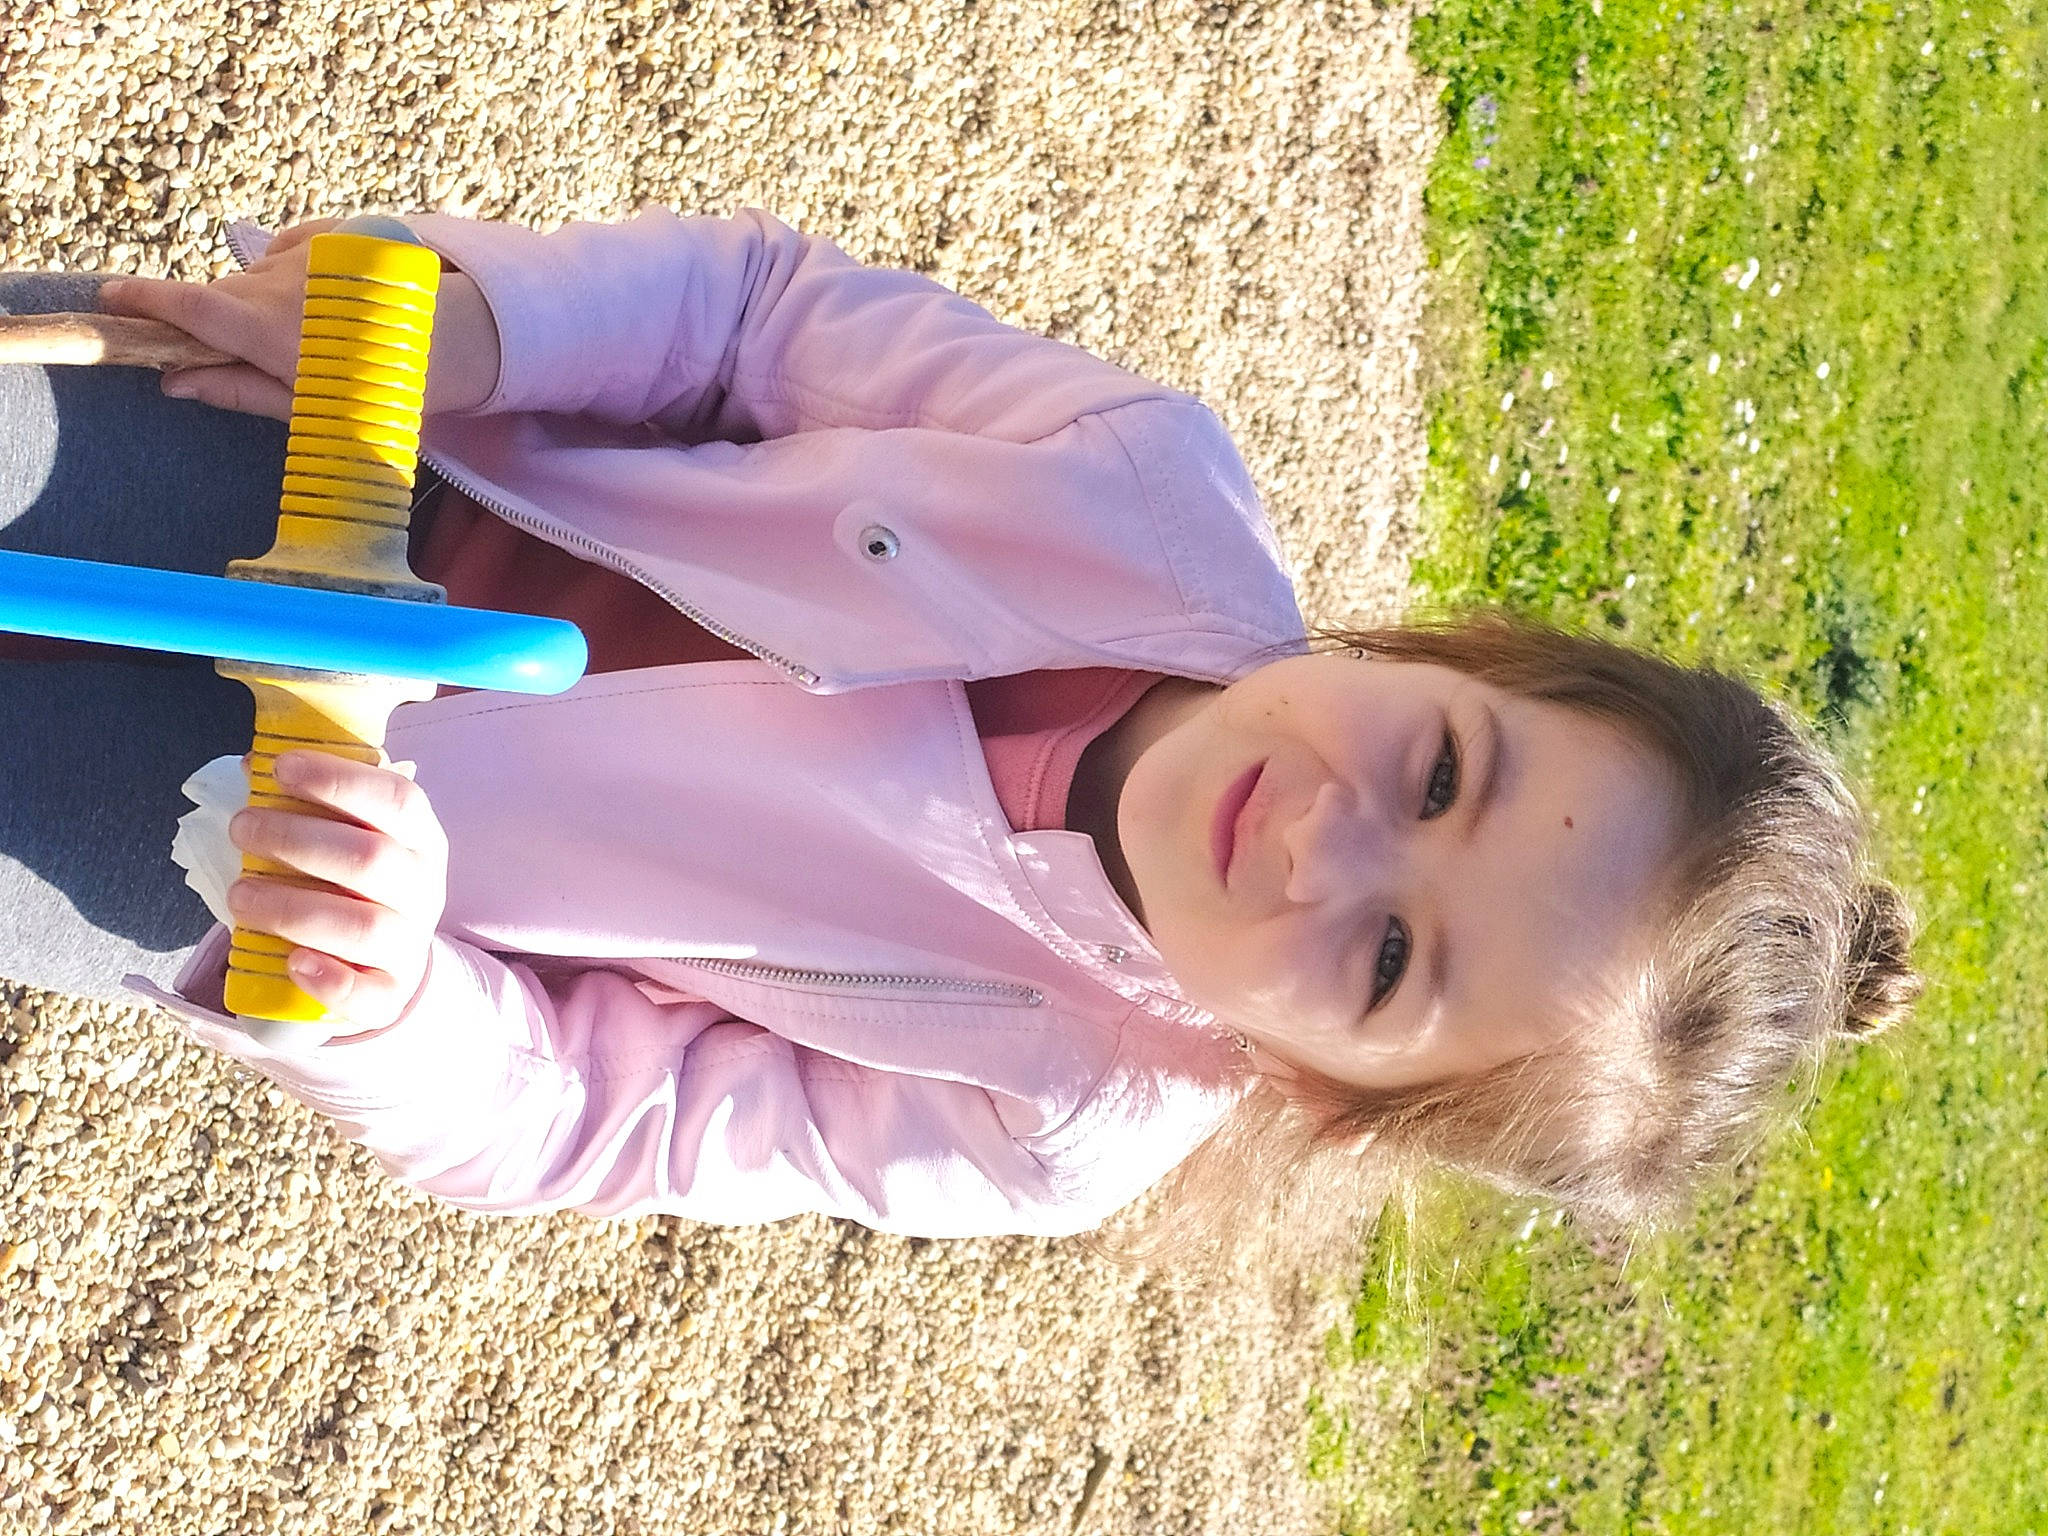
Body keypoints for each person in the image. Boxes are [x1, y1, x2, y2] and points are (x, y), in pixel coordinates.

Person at [0, 208, 1921, 1254]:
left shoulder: (1045, 1121)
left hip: (250, 836)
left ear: (1328, 1091)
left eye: (1394, 957)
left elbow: (604, 1114)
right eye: (1438, 770)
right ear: (1462, 655)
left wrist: (393, 994)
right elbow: (752, 319)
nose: (1328, 838)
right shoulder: (1135, 487)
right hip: (342, 468)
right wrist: (494, 326)